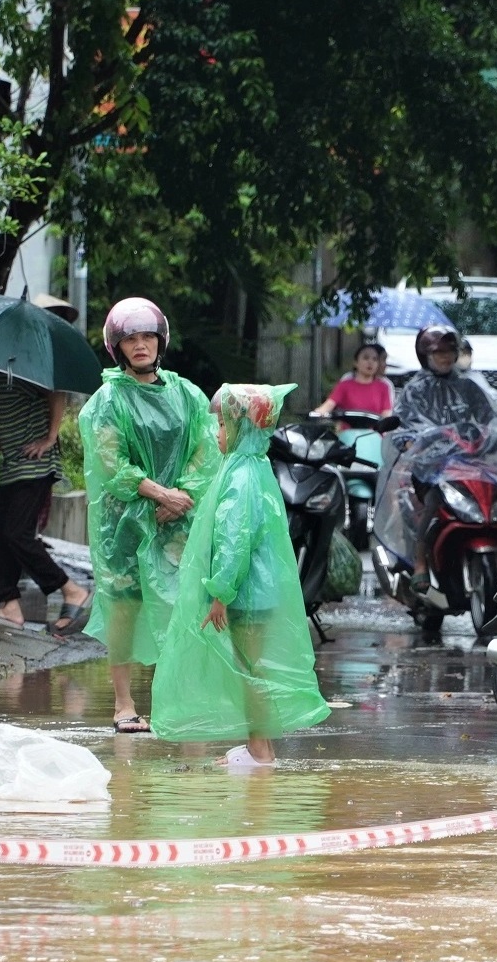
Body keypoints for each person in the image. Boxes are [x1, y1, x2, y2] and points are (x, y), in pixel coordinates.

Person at [150, 384, 331, 765]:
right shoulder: (252, 466)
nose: (216, 434)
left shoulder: (241, 476)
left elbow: (235, 540)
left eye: (220, 426)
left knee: (251, 671)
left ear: (239, 427)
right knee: (252, 668)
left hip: (246, 593)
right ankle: (258, 747)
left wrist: (221, 594)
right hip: (255, 590)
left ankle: (260, 751)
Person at [79, 298, 221, 734]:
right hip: (124, 521)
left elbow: (206, 448)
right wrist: (157, 494)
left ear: (160, 342)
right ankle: (123, 704)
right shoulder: (107, 400)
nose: (139, 346)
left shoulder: (188, 394)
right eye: (130, 339)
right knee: (124, 607)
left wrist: (181, 497)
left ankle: (179, 698)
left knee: (181, 606)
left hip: (179, 519)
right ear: (116, 347)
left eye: (147, 337)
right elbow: (109, 460)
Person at [0, 370, 92, 636]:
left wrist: (51, 437)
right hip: (14, 469)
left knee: (17, 534)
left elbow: (56, 393)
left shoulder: (24, 368)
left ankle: (72, 590)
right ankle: (10, 607)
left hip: (35, 467)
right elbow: (10, 434)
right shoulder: (0, 375)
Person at [393, 323, 497, 606]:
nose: (445, 357)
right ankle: (420, 559)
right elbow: (402, 425)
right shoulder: (414, 390)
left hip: (469, 461)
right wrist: (409, 442)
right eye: (438, 352)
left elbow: (490, 418)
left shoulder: (469, 386)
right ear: (424, 354)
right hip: (431, 467)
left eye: (450, 351)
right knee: (433, 502)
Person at [312, 342, 393, 418]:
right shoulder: (344, 385)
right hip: (347, 432)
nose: (370, 362)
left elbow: (386, 413)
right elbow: (329, 404)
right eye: (366, 358)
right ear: (356, 362)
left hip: (374, 432)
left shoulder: (383, 387)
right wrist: (317, 413)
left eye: (374, 359)